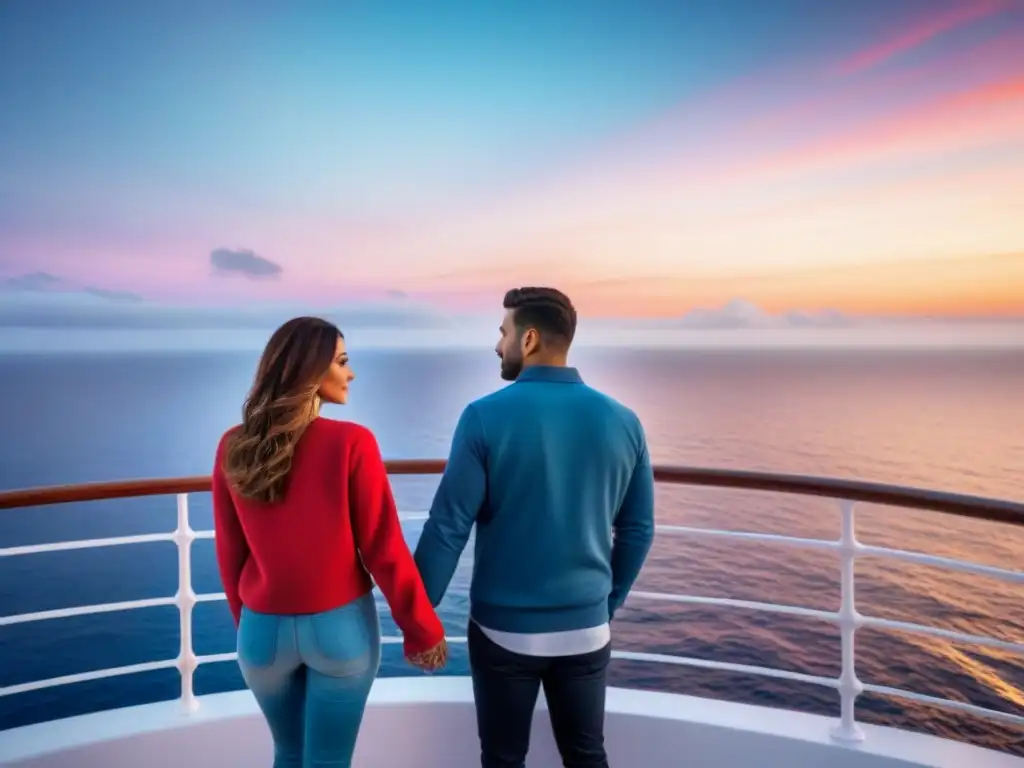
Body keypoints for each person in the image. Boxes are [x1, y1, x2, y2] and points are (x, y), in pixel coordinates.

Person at [413, 287, 656, 767]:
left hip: (505, 631)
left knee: (503, 758)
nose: (497, 345)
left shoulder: (484, 416)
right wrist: (605, 605)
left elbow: (448, 527)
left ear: (527, 340)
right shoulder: (624, 421)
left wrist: (419, 615)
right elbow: (638, 530)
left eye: (502, 333)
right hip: (587, 628)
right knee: (587, 754)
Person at [212, 316, 448, 768]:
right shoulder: (352, 443)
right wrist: (421, 629)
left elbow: (230, 554)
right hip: (340, 632)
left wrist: (251, 626)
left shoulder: (232, 446)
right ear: (311, 371)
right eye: (341, 361)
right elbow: (384, 549)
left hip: (261, 634)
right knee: (327, 760)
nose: (350, 373)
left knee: (288, 753)